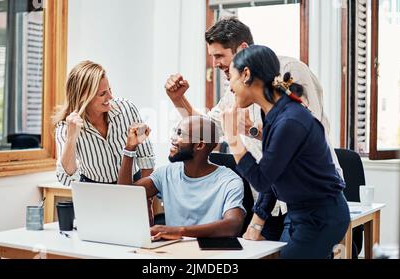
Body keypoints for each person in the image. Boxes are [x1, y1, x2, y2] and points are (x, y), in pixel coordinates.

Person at [165, 17, 343, 242]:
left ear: (242, 50)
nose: (215, 64)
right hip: (267, 202)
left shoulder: (289, 72)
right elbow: (206, 131)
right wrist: (179, 99)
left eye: (219, 55)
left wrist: (252, 132)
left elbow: (304, 132)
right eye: (212, 57)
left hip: (305, 198)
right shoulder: (234, 93)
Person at [221, 45, 350, 259]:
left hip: (321, 217)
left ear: (246, 75)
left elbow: (262, 179)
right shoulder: (274, 115)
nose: (230, 88)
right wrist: (256, 223)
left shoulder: (290, 120)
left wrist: (233, 139)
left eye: (231, 79)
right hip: (303, 214)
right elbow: (274, 175)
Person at [53, 61, 156, 218]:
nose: (111, 97)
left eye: (109, 90)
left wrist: (146, 200)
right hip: (95, 195)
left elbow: (146, 158)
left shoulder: (127, 109)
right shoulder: (65, 128)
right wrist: (71, 138)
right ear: (83, 98)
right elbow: (67, 178)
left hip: (133, 187)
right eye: (102, 94)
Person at [117, 115, 245, 240]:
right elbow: (124, 196)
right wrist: (130, 148)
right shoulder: (167, 173)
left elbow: (233, 225)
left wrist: (180, 231)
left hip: (212, 252)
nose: (172, 138)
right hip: (173, 250)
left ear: (199, 145)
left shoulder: (230, 181)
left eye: (180, 134)